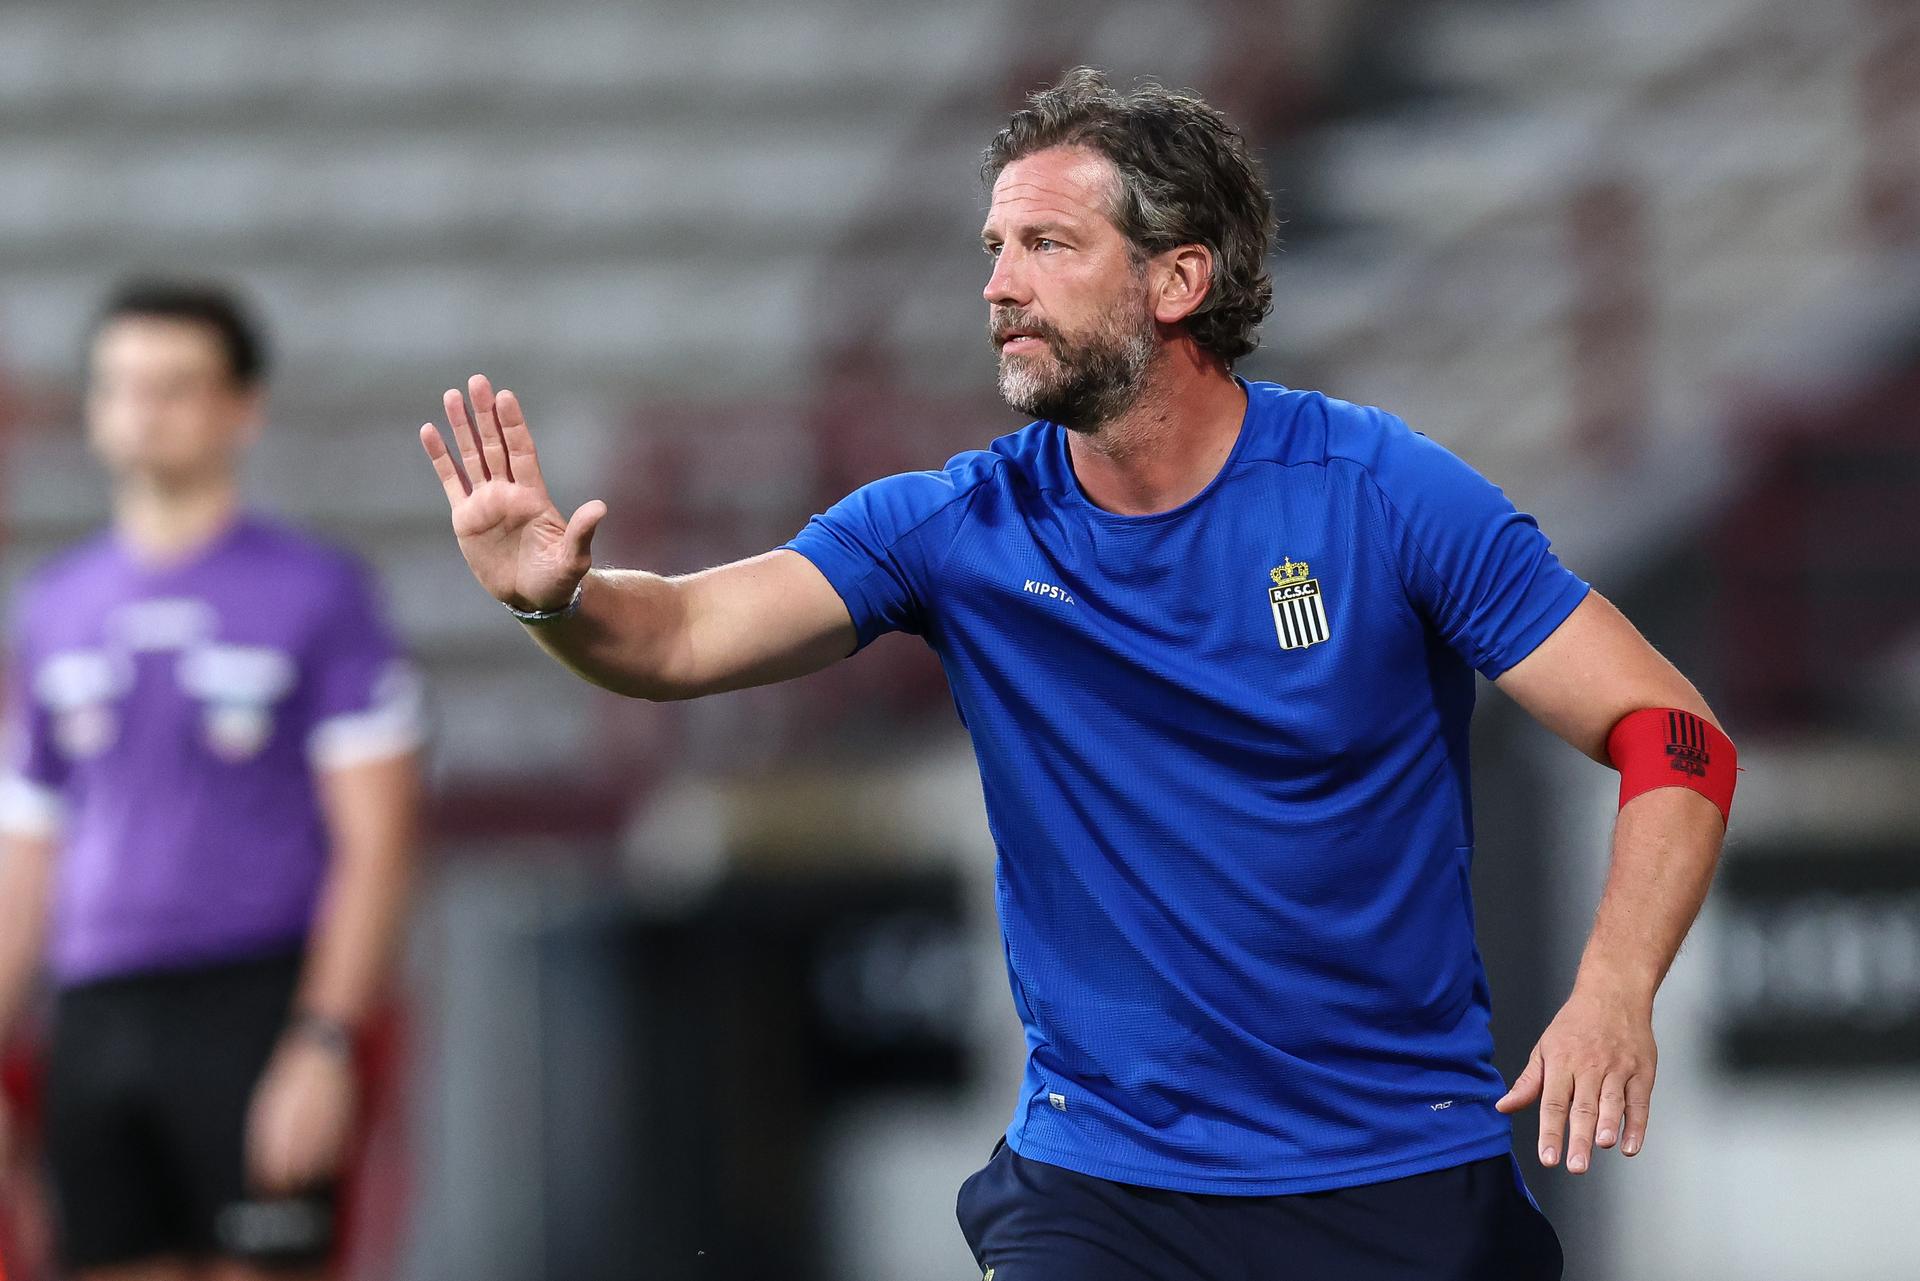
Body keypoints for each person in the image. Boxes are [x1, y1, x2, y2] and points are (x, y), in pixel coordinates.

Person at [418, 69, 1735, 1280]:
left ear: (1177, 280)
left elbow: (1672, 734)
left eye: (1047, 245)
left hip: (1392, 1173)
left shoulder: (1381, 494)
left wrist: (1615, 988)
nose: (1000, 283)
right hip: (1102, 1190)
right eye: (994, 248)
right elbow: (680, 639)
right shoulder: (954, 527)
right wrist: (563, 602)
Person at [0, 281, 425, 1281]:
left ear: (243, 406)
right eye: (123, 388)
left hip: (254, 999)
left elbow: (378, 841)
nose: (145, 412)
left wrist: (323, 1041)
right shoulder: (55, 607)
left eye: (176, 387)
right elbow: (28, 842)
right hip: (96, 1011)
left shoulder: (316, 593)